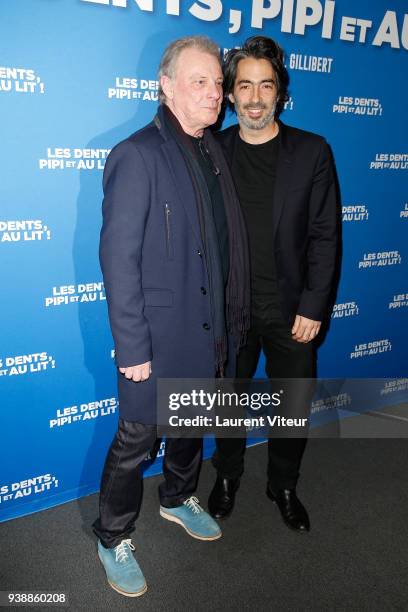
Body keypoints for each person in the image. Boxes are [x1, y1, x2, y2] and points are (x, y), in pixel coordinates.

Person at [93, 36, 250, 597]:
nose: (214, 95)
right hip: (156, 339)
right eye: (199, 82)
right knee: (137, 440)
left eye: (217, 83)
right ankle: (112, 535)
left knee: (191, 426)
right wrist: (132, 347)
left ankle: (179, 497)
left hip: (207, 326)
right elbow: (119, 258)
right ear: (166, 86)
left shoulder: (213, 151)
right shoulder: (137, 154)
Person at [208, 36, 338, 532]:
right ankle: (227, 477)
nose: (255, 97)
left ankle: (282, 484)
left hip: (291, 310)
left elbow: (326, 235)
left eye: (266, 85)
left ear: (280, 92)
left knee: (291, 403)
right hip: (229, 309)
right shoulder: (211, 149)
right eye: (245, 86)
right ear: (230, 94)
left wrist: (313, 304)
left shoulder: (311, 152)